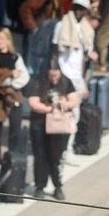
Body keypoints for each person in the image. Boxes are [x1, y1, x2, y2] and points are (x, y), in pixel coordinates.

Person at [27, 62, 80, 200]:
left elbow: (74, 99)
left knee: (57, 157)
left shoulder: (66, 81)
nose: (54, 79)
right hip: (40, 124)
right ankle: (40, 186)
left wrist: (64, 104)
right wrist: (49, 109)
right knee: (40, 156)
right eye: (51, 75)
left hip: (59, 126)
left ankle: (58, 185)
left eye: (56, 75)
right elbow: (32, 102)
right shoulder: (38, 81)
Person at [0, 28, 28, 168]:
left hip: (13, 96)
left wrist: (6, 81)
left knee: (15, 126)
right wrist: (9, 74)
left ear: (8, 40)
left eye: (2, 38)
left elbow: (24, 77)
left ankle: (12, 156)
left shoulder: (16, 57)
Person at [52, 0, 98, 96]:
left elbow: (85, 52)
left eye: (81, 9)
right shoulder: (62, 25)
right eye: (76, 8)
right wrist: (55, 70)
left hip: (77, 74)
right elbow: (54, 50)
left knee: (76, 106)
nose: (78, 12)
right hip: (63, 71)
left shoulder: (86, 29)